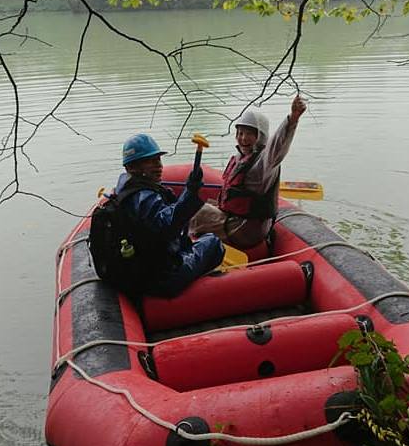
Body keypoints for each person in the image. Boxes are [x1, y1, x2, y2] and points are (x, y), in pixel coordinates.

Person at [112, 133, 224, 298]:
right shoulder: (144, 196)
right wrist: (191, 192)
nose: (159, 166)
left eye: (158, 159)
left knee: (192, 241)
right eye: (150, 161)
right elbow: (169, 225)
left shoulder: (124, 190)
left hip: (140, 269)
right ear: (132, 167)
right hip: (163, 277)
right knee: (213, 243)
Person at [189, 96, 307, 249]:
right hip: (237, 219)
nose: (243, 138)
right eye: (240, 133)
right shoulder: (240, 158)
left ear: (261, 136)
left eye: (249, 134)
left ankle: (187, 247)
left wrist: (292, 119)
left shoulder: (266, 162)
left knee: (194, 211)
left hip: (246, 229)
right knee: (207, 203)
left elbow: (279, 144)